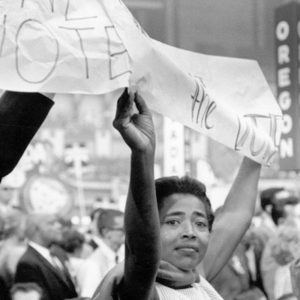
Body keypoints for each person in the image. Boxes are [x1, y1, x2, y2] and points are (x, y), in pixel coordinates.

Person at [92, 89, 261, 300]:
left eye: (200, 224)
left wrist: (257, 148)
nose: (190, 232)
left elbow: (237, 215)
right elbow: (141, 251)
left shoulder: (195, 277)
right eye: (173, 222)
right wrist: (142, 154)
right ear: (152, 226)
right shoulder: (138, 287)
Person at [14, 214, 78, 300]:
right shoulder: (27, 264)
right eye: (51, 223)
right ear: (36, 229)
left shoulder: (59, 253)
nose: (59, 226)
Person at [77, 209, 125, 298]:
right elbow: (89, 297)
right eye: (122, 229)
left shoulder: (119, 256)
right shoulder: (92, 264)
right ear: (106, 232)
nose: (127, 232)